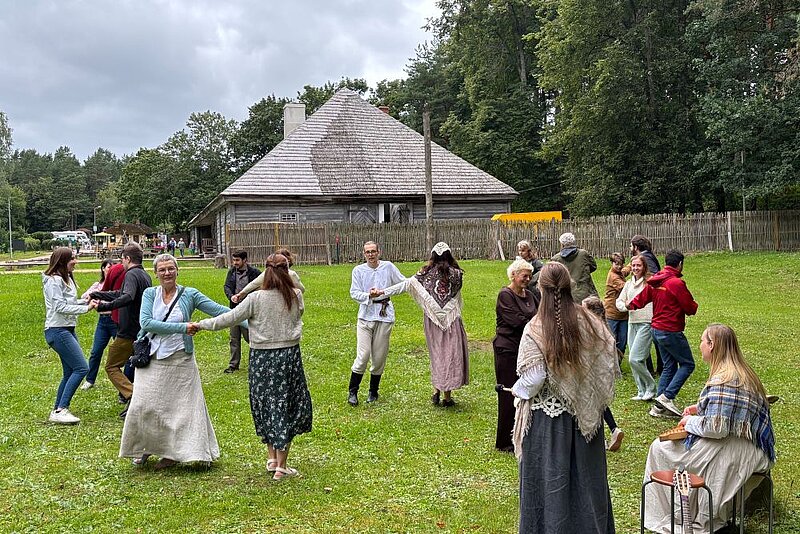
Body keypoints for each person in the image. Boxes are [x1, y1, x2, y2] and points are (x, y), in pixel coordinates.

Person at [511, 262, 617, 533]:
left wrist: (517, 390)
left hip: (549, 426)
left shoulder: (536, 328)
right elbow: (607, 359)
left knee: (549, 489)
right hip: (586, 421)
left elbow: (533, 379)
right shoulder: (591, 322)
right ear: (570, 286)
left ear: (541, 289)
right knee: (587, 488)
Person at [643, 324, 775, 533]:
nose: (700, 345)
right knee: (682, 451)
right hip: (745, 444)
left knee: (660, 449)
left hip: (741, 447)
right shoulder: (738, 371)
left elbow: (717, 428)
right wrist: (700, 408)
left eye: (703, 341)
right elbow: (732, 411)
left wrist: (689, 422)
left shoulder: (726, 379)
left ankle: (679, 517)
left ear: (712, 345)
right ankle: (688, 515)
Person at [193, 254, 311, 480]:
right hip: (287, 357)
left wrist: (201, 324)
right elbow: (299, 313)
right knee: (285, 404)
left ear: (266, 272)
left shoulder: (255, 299)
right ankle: (280, 465)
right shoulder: (295, 295)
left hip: (261, 359)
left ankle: (272, 459)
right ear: (287, 271)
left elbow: (228, 318)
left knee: (265, 403)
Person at [120, 254, 231, 470]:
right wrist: (183, 327)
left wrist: (248, 319)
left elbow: (219, 311)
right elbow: (146, 322)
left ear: (177, 270)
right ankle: (144, 448)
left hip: (180, 359)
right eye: (162, 270)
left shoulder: (189, 294)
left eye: (171, 268)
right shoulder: (150, 294)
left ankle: (173, 454)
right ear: (156, 273)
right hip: (152, 358)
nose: (167, 273)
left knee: (180, 409)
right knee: (145, 405)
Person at [381, 242, 469, 407]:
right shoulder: (457, 274)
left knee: (437, 354)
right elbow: (454, 297)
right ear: (449, 255)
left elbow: (406, 285)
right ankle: (447, 397)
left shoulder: (425, 273)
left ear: (433, 256)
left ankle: (436, 391)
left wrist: (382, 292)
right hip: (451, 321)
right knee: (449, 355)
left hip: (432, 321)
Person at [629, 249, 698, 418]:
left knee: (669, 365)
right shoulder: (675, 283)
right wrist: (694, 306)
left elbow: (641, 299)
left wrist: (630, 304)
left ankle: (658, 407)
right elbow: (690, 308)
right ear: (680, 264)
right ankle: (667, 396)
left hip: (656, 329)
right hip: (670, 330)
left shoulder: (655, 281)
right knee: (688, 364)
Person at [91, 242, 152, 416]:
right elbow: (121, 293)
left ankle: (135, 397)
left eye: (122, 259)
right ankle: (134, 400)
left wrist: (103, 307)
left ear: (127, 258)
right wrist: (98, 294)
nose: (121, 263)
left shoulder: (131, 274)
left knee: (111, 366)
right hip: (140, 329)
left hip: (128, 331)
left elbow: (127, 296)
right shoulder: (143, 275)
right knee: (137, 367)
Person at [42, 247, 99, 424]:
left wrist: (86, 300)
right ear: (62, 261)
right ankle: (61, 409)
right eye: (72, 258)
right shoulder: (54, 281)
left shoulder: (65, 279)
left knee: (69, 372)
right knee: (82, 368)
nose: (76, 261)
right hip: (57, 330)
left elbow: (69, 302)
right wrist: (85, 308)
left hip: (67, 329)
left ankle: (57, 410)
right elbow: (59, 307)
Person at [347, 241, 405, 406]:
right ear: (364, 254)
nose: (371, 255)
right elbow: (354, 293)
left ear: (379, 252)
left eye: (373, 251)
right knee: (363, 355)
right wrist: (369, 295)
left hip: (384, 316)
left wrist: (385, 292)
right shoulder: (358, 270)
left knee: (379, 358)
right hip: (365, 317)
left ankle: (373, 391)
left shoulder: (388, 267)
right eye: (367, 252)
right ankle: (353, 391)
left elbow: (403, 283)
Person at [492, 258, 538, 452]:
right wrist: (534, 322)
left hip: (526, 350)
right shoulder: (505, 294)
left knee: (525, 392)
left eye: (529, 275)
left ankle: (521, 434)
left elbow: (541, 315)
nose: (527, 279)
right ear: (513, 275)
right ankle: (504, 441)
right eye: (523, 275)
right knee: (509, 393)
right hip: (507, 349)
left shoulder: (531, 295)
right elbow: (516, 321)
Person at [582, 295, 625, 452]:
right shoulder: (605, 329)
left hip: (590, 374)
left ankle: (597, 436)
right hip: (601, 376)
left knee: (592, 405)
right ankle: (613, 429)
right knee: (600, 404)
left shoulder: (590, 330)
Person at [615, 255, 657, 401]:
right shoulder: (628, 284)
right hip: (632, 322)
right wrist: (625, 306)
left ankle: (651, 388)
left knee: (635, 358)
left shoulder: (649, 283)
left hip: (646, 322)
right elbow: (619, 302)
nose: (635, 268)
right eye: (633, 266)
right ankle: (641, 390)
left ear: (644, 266)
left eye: (638, 265)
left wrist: (628, 303)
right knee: (636, 358)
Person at [80, 259, 118, 390]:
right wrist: (95, 296)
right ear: (103, 269)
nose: (111, 269)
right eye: (108, 267)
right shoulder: (98, 284)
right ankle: (90, 380)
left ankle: (126, 380)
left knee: (122, 352)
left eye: (113, 267)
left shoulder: (117, 285)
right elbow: (85, 296)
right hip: (103, 321)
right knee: (96, 351)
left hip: (115, 321)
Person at [222, 250, 262, 374]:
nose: (235, 263)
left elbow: (261, 288)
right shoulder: (231, 272)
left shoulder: (255, 273)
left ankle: (257, 363)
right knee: (234, 338)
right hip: (235, 309)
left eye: (237, 260)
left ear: (245, 260)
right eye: (233, 260)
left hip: (250, 311)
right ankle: (233, 365)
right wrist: (231, 296)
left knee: (250, 337)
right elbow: (227, 286)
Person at [630, 234, 663, 375]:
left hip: (648, 301)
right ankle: (658, 367)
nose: (630, 248)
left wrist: (642, 284)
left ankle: (651, 368)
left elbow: (653, 277)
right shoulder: (648, 255)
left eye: (631, 245)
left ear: (636, 247)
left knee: (646, 334)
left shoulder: (646, 257)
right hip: (650, 300)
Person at [233, 248, 305, 303]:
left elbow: (254, 283)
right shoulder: (291, 274)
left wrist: (241, 294)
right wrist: (241, 294)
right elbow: (301, 289)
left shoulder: (289, 274)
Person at [550, 232, 598, 303]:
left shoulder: (555, 259)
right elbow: (593, 266)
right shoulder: (583, 254)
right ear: (573, 242)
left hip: (566, 296)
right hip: (587, 294)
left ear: (562, 244)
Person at [604, 252, 629, 357]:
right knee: (612, 341)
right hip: (612, 314)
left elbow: (624, 271)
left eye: (621, 264)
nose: (619, 266)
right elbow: (626, 287)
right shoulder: (613, 277)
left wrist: (631, 265)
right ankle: (612, 364)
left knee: (622, 342)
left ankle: (618, 363)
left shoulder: (619, 272)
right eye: (616, 264)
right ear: (612, 263)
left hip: (623, 314)